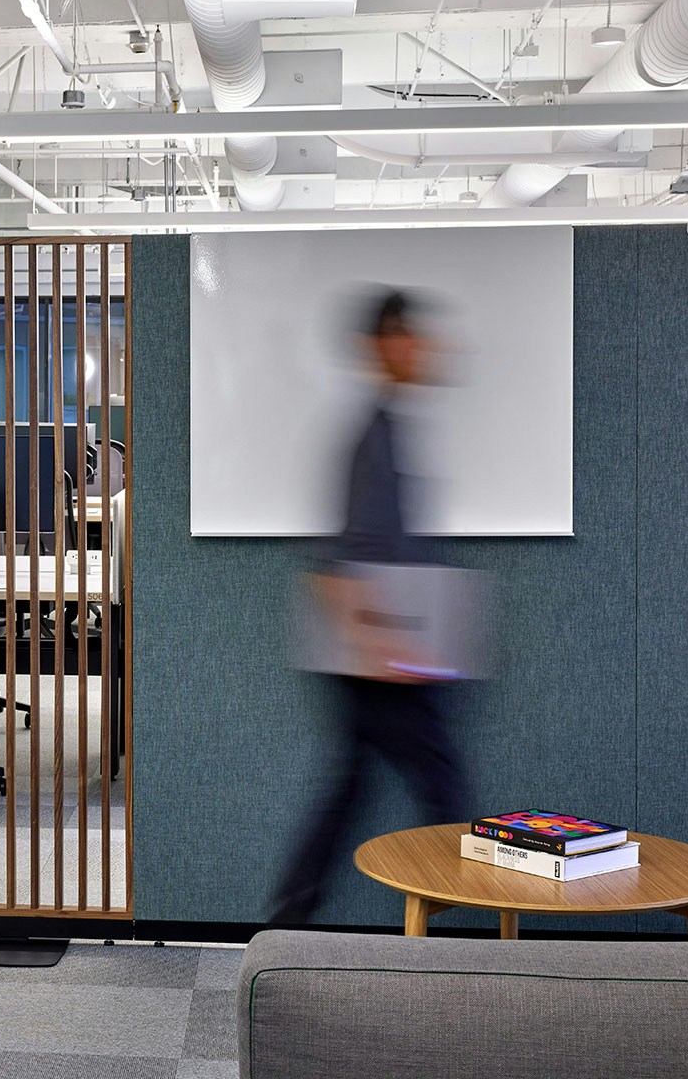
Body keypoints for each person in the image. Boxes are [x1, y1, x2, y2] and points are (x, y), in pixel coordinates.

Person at [269, 289, 469, 927]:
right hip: (381, 658)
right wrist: (383, 648)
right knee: (441, 786)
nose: (426, 349)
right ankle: (452, 925)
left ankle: (290, 917)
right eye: (413, 337)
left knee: (354, 786)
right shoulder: (373, 438)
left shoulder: (387, 429)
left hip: (380, 654)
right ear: (386, 345)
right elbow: (342, 560)